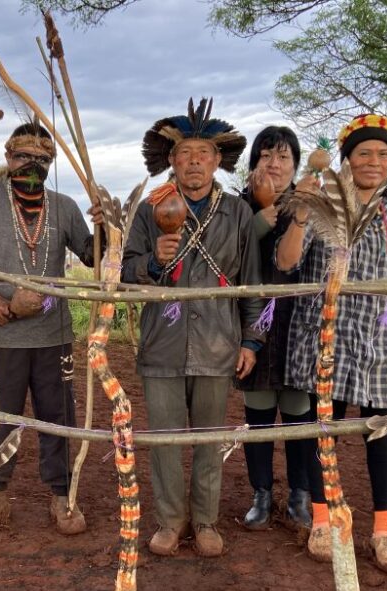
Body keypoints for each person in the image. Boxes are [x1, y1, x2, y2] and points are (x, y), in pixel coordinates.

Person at [276, 113, 387, 575]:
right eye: (364, 153)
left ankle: (384, 531)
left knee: (382, 435)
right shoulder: (322, 206)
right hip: (329, 335)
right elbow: (287, 262)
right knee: (327, 429)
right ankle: (323, 520)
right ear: (347, 159)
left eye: (382, 154)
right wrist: (301, 208)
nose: (373, 161)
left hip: (382, 342)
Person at [122, 98, 265, 558]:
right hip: (162, 343)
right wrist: (152, 261)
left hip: (218, 344)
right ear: (172, 160)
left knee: (207, 437)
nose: (194, 162)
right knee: (164, 438)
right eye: (185, 154)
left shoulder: (238, 214)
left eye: (203, 154)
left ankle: (205, 521)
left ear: (218, 161)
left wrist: (250, 341)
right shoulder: (150, 210)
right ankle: (169, 521)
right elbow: (124, 272)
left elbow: (251, 282)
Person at [0, 122, 101, 538]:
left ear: (51, 164)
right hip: (3, 333)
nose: (31, 166)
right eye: (23, 158)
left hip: (54, 333)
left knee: (58, 415)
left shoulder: (65, 206)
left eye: (41, 160)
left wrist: (108, 227)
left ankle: (61, 494)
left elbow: (93, 256)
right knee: (0, 414)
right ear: (8, 158)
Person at [234, 126, 313, 536]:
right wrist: (259, 223)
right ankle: (261, 494)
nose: (275, 165)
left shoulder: (312, 204)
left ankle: (300, 493)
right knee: (260, 413)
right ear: (253, 165)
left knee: (300, 411)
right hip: (253, 322)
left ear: (295, 166)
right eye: (266, 156)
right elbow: (227, 255)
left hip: (301, 321)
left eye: (284, 158)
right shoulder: (235, 209)